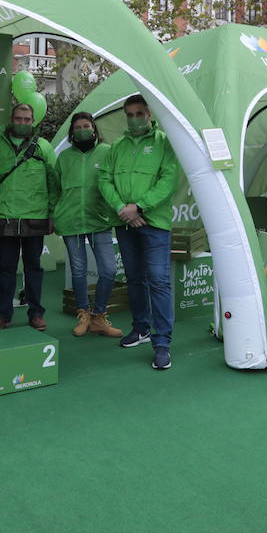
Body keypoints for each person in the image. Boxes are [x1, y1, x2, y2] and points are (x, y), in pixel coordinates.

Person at [100, 95, 180, 370]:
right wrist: (123, 208)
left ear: (149, 114)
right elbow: (104, 179)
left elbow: (168, 180)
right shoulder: (117, 147)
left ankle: (162, 344)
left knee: (158, 281)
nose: (134, 118)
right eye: (130, 114)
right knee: (134, 278)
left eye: (139, 113)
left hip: (154, 224)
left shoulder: (164, 143)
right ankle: (141, 328)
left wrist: (140, 208)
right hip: (125, 223)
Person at [0, 102, 58, 331]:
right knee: (6, 270)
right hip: (4, 217)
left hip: (34, 217)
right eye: (19, 118)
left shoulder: (44, 147)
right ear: (11, 118)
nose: (23, 123)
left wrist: (52, 213)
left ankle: (36, 313)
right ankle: (2, 316)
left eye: (27, 119)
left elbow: (54, 182)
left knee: (33, 269)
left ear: (33, 121)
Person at [55, 112, 123, 338]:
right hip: (70, 221)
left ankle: (99, 316)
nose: (82, 130)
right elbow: (55, 187)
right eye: (78, 127)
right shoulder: (64, 157)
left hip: (99, 220)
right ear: (72, 132)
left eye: (86, 126)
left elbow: (115, 182)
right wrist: (53, 213)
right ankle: (83, 314)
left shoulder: (107, 151)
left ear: (94, 129)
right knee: (78, 270)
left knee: (109, 270)